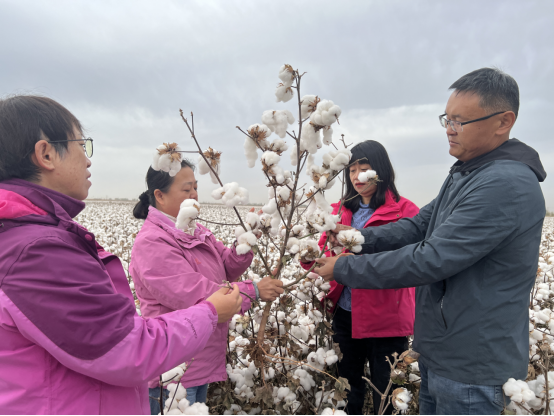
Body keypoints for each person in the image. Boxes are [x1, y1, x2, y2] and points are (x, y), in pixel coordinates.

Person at [314, 68, 547, 415]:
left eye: (460, 121)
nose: (449, 129)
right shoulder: (467, 173)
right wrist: (355, 238)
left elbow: (430, 258)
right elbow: (418, 225)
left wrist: (344, 266)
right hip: (445, 354)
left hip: (472, 365)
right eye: (447, 119)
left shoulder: (504, 184)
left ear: (503, 121)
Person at [0, 95, 243, 415]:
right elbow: (124, 347)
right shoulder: (37, 251)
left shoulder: (34, 237)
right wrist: (212, 311)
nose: (88, 161)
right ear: (46, 154)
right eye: (81, 145)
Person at [130, 160, 284, 413]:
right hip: (174, 369)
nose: (194, 195)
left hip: (199, 357)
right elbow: (197, 295)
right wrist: (254, 291)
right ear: (159, 195)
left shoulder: (194, 229)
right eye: (186, 189)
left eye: (195, 188)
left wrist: (244, 243)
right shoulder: (152, 243)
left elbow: (225, 265)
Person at [302, 140, 419, 415]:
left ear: (380, 171)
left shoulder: (406, 212)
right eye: (351, 170)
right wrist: (308, 253)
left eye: (363, 169)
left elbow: (410, 264)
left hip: (388, 320)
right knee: (347, 390)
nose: (356, 176)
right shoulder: (339, 209)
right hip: (345, 315)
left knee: (387, 395)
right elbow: (318, 255)